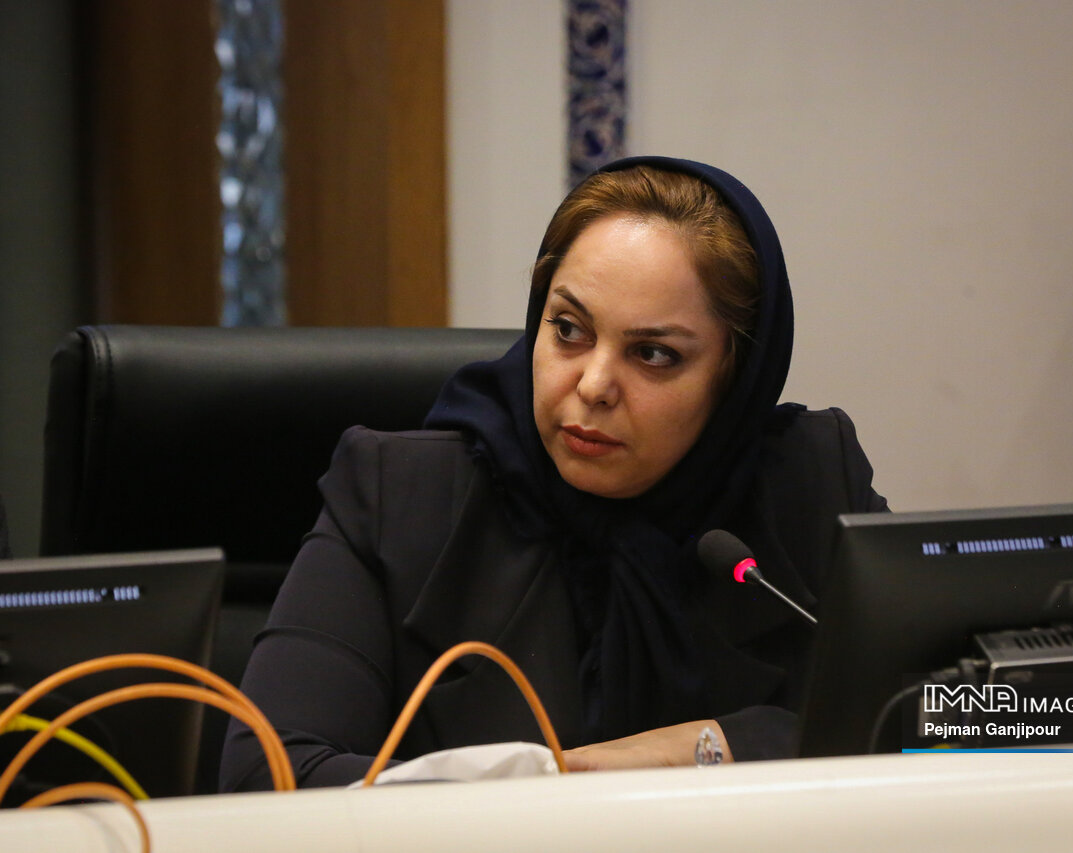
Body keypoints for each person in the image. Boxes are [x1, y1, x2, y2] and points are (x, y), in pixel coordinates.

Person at [220, 156, 888, 791]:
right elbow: (269, 774)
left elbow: (948, 717)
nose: (593, 385)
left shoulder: (811, 484)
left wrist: (706, 748)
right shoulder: (397, 495)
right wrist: (546, 790)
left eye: (653, 354)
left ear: (734, 379)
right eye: (569, 329)